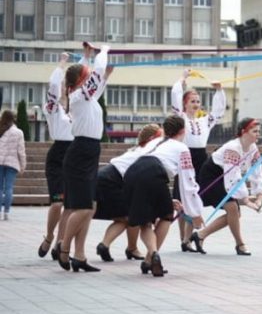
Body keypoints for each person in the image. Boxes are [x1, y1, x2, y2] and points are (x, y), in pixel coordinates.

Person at [54, 44, 111, 273]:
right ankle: (64, 247)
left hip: (89, 150)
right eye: (85, 76)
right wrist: (104, 52)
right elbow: (95, 74)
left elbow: (97, 81)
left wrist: (104, 72)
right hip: (81, 152)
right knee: (84, 207)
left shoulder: (85, 97)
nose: (89, 78)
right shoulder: (78, 95)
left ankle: (79, 255)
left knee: (89, 205)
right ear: (80, 81)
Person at [123, 115, 204, 277]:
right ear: (183, 131)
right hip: (155, 172)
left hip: (132, 172)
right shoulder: (182, 148)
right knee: (166, 216)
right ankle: (151, 257)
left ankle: (151, 256)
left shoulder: (154, 141)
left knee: (145, 222)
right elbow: (188, 183)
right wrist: (195, 213)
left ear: (165, 129)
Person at [190, 118, 262, 256]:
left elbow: (257, 172)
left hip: (226, 176)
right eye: (255, 131)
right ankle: (240, 244)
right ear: (244, 132)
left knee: (235, 213)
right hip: (212, 176)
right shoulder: (233, 147)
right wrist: (247, 200)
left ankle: (200, 235)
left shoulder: (253, 148)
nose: (258, 134)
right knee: (233, 208)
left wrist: (259, 197)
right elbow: (234, 177)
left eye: (259, 131)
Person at [171, 69, 225, 252]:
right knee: (181, 198)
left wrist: (219, 91)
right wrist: (183, 78)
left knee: (194, 198)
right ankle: (183, 239)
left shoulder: (204, 122)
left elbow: (218, 112)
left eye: (198, 102)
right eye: (192, 101)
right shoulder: (181, 118)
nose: (196, 104)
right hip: (185, 158)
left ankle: (187, 239)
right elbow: (175, 95)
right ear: (184, 104)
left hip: (201, 159)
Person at [93, 124, 162, 262]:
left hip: (105, 177)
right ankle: (117, 247)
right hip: (112, 180)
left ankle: (108, 246)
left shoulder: (138, 149)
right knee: (128, 217)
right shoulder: (148, 152)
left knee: (125, 217)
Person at [38, 53, 74, 258]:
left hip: (74, 155)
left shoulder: (77, 106)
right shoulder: (53, 108)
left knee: (69, 205)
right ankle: (50, 235)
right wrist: (62, 63)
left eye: (67, 85)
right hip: (58, 155)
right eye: (63, 85)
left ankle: (60, 242)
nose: (64, 88)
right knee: (57, 202)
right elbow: (52, 83)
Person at [0, 110, 27, 221]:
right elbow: (21, 151)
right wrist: (23, 165)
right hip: (12, 164)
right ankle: (6, 212)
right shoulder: (19, 132)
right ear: (13, 119)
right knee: (9, 188)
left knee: (0, 188)